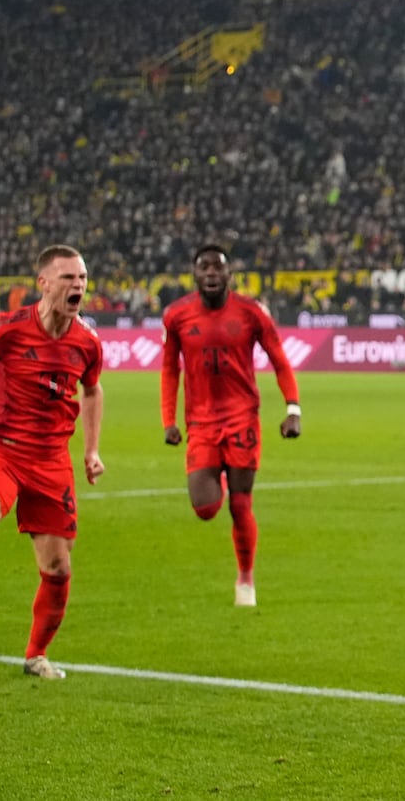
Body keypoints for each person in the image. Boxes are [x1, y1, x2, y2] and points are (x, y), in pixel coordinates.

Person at [0, 245, 105, 679]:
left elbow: (92, 390)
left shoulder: (87, 342)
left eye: (83, 278)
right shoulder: (4, 329)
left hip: (51, 461)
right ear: (44, 283)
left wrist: (90, 450)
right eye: (68, 277)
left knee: (57, 567)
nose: (79, 285)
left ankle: (36, 655)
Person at [161, 245, 301, 607]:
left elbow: (280, 360)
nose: (210, 272)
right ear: (194, 274)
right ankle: (217, 472)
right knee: (206, 508)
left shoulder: (252, 313)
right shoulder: (176, 316)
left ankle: (245, 579)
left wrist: (293, 408)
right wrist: (169, 420)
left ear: (229, 276)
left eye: (217, 267)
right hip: (201, 422)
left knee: (240, 506)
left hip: (242, 418)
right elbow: (169, 370)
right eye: (204, 267)